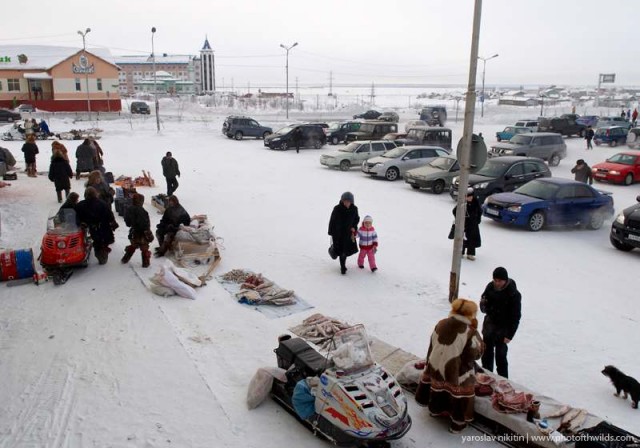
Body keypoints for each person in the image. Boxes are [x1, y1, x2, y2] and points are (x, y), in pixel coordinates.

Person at [415, 298, 484, 434]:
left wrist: (430, 363)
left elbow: (432, 344)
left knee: (438, 387)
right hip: (455, 371)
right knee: (460, 394)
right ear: (471, 315)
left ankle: (436, 410)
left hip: (435, 367)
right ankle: (457, 423)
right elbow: (474, 355)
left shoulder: (441, 323)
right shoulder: (470, 332)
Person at [480, 267, 522, 379]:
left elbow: (516, 316)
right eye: (495, 280)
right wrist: (483, 304)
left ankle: (503, 381)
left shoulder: (514, 294)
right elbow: (484, 301)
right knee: (486, 354)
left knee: (501, 356)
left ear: (505, 280)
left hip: (503, 329)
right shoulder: (490, 287)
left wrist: (510, 335)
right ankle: (486, 377)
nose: (497, 283)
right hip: (489, 326)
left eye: (500, 281)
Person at [75, 186, 118, 265]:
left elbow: (77, 216)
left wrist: (81, 223)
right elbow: (109, 214)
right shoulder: (102, 203)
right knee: (102, 242)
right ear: (95, 194)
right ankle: (102, 256)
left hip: (90, 227)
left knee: (97, 242)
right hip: (103, 226)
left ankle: (100, 255)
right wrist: (113, 222)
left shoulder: (80, 205)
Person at [328, 191, 360, 275]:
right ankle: (342, 266)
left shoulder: (354, 209)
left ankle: (343, 265)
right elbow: (332, 220)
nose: (347, 203)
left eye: (349, 201)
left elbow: (356, 219)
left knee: (345, 251)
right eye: (345, 201)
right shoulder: (337, 208)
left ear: (351, 201)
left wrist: (354, 227)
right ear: (342, 201)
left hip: (348, 234)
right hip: (338, 234)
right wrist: (331, 232)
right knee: (340, 251)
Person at [122, 193, 152, 268]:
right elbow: (145, 223)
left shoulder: (129, 209)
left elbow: (128, 223)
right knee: (144, 248)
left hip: (134, 232)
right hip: (142, 233)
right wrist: (148, 233)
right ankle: (145, 263)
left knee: (133, 245)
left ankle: (125, 259)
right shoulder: (142, 211)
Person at [453, 188, 482, 260]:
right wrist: (459, 219)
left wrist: (478, 220)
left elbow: (479, 211)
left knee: (472, 239)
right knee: (463, 238)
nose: (469, 198)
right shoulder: (463, 203)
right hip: (464, 224)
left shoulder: (475, 201)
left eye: (471, 196)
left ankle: (470, 254)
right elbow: (454, 211)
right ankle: (460, 252)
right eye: (468, 196)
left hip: (473, 225)